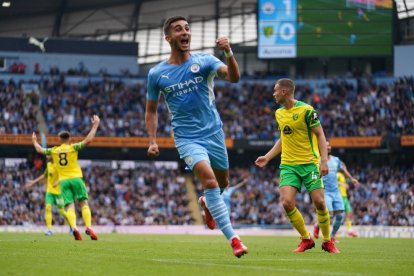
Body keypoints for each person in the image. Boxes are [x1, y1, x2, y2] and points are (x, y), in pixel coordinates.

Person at [145, 15, 248, 258]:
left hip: (214, 133)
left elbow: (234, 78)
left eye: (187, 29)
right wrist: (152, 140)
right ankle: (234, 240)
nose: (185, 33)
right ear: (168, 37)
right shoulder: (157, 73)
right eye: (178, 29)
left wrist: (229, 54)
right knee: (211, 182)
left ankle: (206, 203)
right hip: (187, 138)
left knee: (222, 185)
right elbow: (150, 110)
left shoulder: (205, 61)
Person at [255, 78, 340, 253]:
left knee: (320, 202)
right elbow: (282, 140)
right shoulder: (278, 113)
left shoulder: (307, 110)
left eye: (275, 90)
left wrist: (324, 161)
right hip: (288, 165)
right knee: (286, 203)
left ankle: (327, 241)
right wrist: (268, 157)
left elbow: (320, 135)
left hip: (309, 164)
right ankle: (306, 239)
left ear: (284, 91)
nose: (273, 93)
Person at [32, 115, 100, 241]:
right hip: (76, 178)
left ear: (59, 139)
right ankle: (88, 227)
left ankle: (74, 228)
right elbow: (88, 140)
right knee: (84, 203)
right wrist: (95, 125)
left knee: (69, 206)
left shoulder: (54, 150)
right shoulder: (73, 147)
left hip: (63, 181)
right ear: (70, 139)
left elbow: (39, 149)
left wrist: (35, 141)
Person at [313, 141, 359, 242]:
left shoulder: (335, 160)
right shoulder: (318, 160)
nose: (328, 147)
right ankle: (318, 226)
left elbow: (343, 169)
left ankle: (332, 236)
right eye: (326, 146)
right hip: (325, 191)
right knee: (329, 215)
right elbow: (313, 175)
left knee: (340, 216)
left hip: (336, 192)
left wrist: (351, 179)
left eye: (329, 146)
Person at [25, 156, 69, 236]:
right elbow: (44, 175)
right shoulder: (48, 164)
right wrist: (33, 182)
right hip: (49, 191)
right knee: (48, 208)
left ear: (53, 155)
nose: (47, 156)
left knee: (61, 211)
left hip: (58, 192)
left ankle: (72, 226)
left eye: (48, 155)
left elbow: (64, 175)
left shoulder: (59, 165)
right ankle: (49, 230)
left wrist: (58, 182)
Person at [337, 170, 360, 237]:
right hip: (339, 196)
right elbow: (333, 181)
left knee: (349, 212)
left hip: (344, 197)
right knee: (338, 214)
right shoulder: (337, 174)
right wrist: (342, 184)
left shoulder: (343, 176)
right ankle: (335, 232)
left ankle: (349, 230)